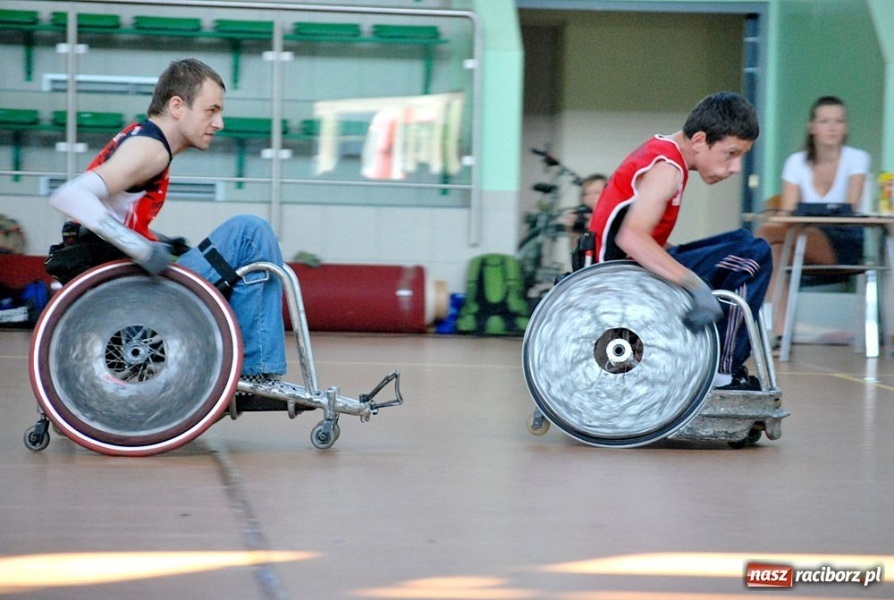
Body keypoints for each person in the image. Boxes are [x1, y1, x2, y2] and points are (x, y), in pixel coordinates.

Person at [47, 58, 286, 387]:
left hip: (122, 290)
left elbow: (108, 216)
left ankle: (247, 364)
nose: (219, 123)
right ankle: (254, 372)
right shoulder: (151, 149)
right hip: (129, 301)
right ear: (177, 106)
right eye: (211, 110)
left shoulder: (143, 139)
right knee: (250, 233)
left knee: (241, 244)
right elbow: (70, 196)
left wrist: (157, 241)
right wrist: (141, 249)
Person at [588, 92, 771, 390]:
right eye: (731, 153)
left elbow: (638, 236)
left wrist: (683, 261)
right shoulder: (668, 168)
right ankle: (721, 373)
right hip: (621, 281)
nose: (736, 167)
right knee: (754, 254)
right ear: (699, 140)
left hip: (626, 270)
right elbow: (631, 237)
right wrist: (694, 285)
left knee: (741, 240)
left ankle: (715, 359)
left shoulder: (662, 151)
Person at [754, 96, 870, 340]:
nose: (832, 127)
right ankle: (782, 332)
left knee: (764, 235)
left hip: (843, 242)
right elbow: (786, 214)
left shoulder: (856, 159)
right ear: (812, 127)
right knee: (772, 252)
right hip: (802, 241)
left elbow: (850, 210)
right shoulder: (796, 163)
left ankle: (747, 258)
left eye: (839, 121)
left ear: (845, 127)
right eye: (825, 121)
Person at [563, 173, 607, 246]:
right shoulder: (583, 217)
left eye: (597, 192)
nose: (591, 197)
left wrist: (595, 227)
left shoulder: (618, 217)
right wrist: (574, 232)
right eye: (585, 194)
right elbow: (578, 250)